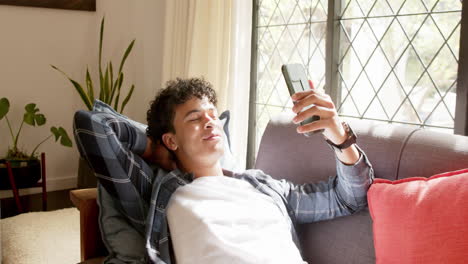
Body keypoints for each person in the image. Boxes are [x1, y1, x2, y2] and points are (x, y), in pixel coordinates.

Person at [74, 77, 374, 264]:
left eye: (213, 115)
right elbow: (95, 128)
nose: (210, 122)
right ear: (170, 140)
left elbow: (349, 198)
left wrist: (338, 133)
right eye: (194, 119)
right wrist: (155, 151)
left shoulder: (264, 187)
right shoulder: (159, 190)